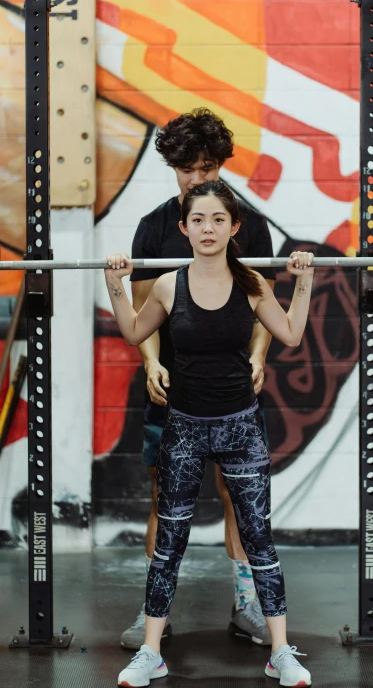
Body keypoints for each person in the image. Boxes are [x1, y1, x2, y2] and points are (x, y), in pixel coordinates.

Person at [105, 180, 315, 688]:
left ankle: (281, 651)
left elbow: (289, 333)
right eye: (198, 220)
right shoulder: (168, 285)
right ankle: (151, 653)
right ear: (184, 228)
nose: (208, 228)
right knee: (170, 542)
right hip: (183, 429)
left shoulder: (252, 286)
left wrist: (303, 280)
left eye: (219, 220)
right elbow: (135, 332)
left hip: (242, 427)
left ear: (234, 228)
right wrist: (116, 282)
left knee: (259, 539)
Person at [122, 108, 278, 649]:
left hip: (235, 387)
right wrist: (150, 361)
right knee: (165, 496)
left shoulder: (247, 223)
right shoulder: (155, 226)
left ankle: (248, 606)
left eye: (208, 167)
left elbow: (265, 304)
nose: (198, 179)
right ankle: (151, 615)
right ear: (173, 167)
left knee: (241, 498)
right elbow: (142, 309)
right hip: (173, 384)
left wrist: (259, 356)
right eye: (187, 168)